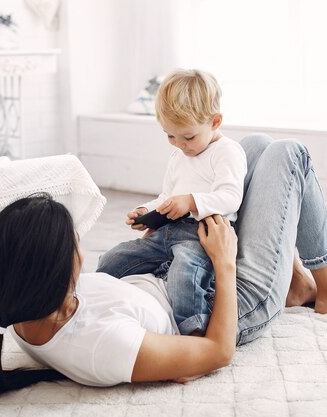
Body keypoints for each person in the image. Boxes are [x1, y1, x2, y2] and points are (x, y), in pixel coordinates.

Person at [0, 134, 327, 396]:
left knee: (250, 148)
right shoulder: (102, 347)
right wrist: (223, 264)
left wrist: (160, 234)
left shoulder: (21, 311)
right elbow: (215, 352)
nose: (81, 247)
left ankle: (293, 285)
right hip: (220, 301)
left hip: (174, 269)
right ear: (55, 274)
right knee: (289, 155)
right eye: (75, 245)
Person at [96, 69, 247, 335]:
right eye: (170, 136)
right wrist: (147, 211)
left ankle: (193, 332)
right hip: (166, 231)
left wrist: (190, 202)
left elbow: (230, 198)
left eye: (188, 137)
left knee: (184, 275)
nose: (179, 145)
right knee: (114, 258)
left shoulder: (227, 152)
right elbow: (167, 197)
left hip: (201, 236)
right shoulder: (179, 156)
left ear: (215, 122)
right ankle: (97, 301)